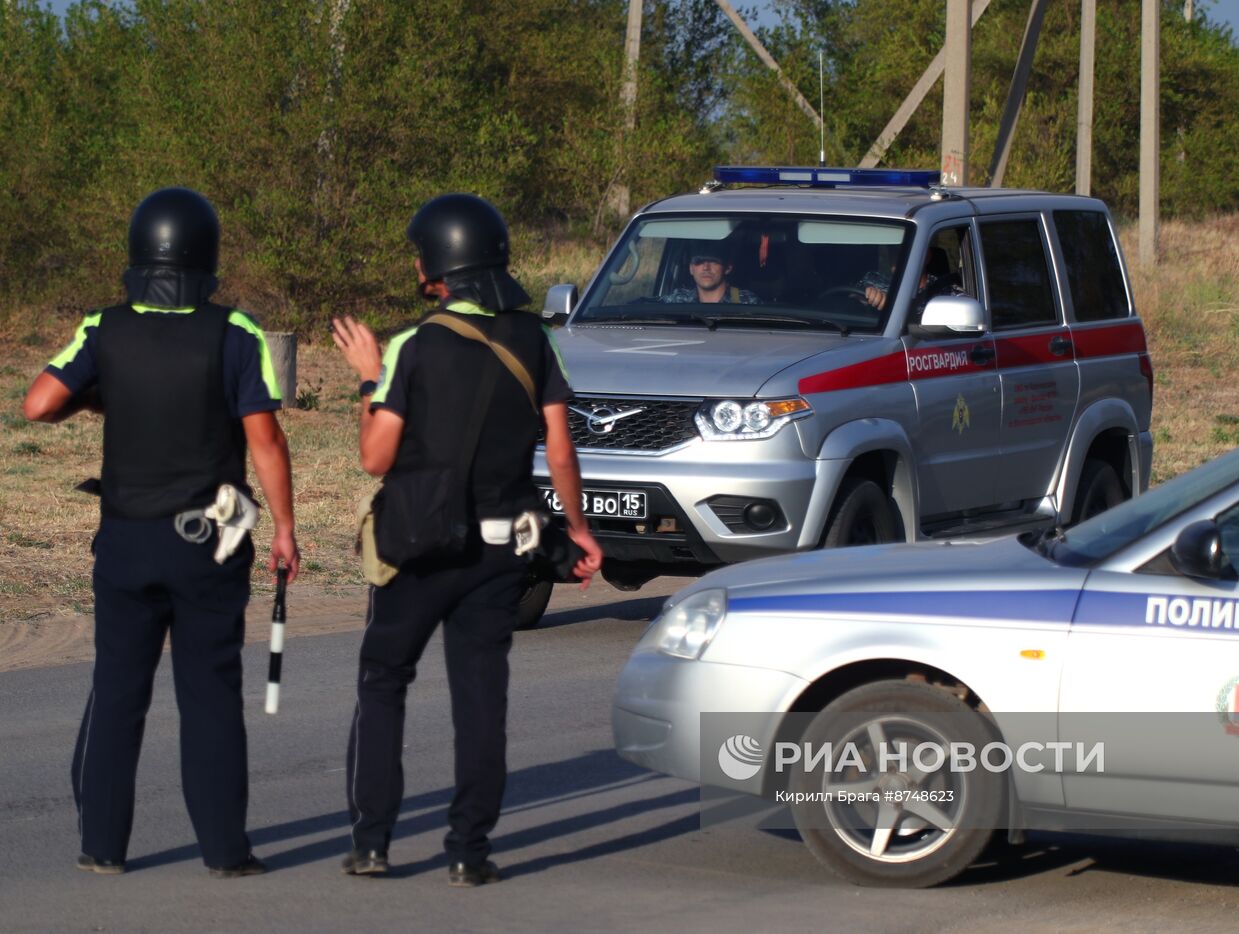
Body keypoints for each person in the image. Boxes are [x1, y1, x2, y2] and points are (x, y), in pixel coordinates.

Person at [22, 187, 300, 878]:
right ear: (207, 259)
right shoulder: (236, 333)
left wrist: (99, 393)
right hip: (209, 542)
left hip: (126, 539)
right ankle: (226, 853)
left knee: (119, 689)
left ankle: (102, 846)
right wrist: (286, 529)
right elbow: (264, 440)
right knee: (209, 693)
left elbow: (37, 404)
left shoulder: (104, 328)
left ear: (137, 253)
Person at [331, 193, 602, 888]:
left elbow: (375, 457)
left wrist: (368, 378)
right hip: (504, 548)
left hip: (420, 545)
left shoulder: (411, 347)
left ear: (435, 270)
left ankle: (372, 842)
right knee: (482, 696)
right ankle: (468, 852)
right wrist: (575, 529)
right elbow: (561, 451)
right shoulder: (533, 340)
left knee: (384, 679)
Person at [860, 246, 965, 313]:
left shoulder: (947, 295)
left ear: (926, 256)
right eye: (892, 254)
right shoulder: (873, 280)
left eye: (903, 256)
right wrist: (867, 294)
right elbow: (848, 294)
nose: (894, 267)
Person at [661, 244, 760, 304]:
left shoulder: (745, 301)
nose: (706, 268)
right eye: (699, 262)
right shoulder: (678, 300)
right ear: (691, 269)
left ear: (728, 268)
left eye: (713, 261)